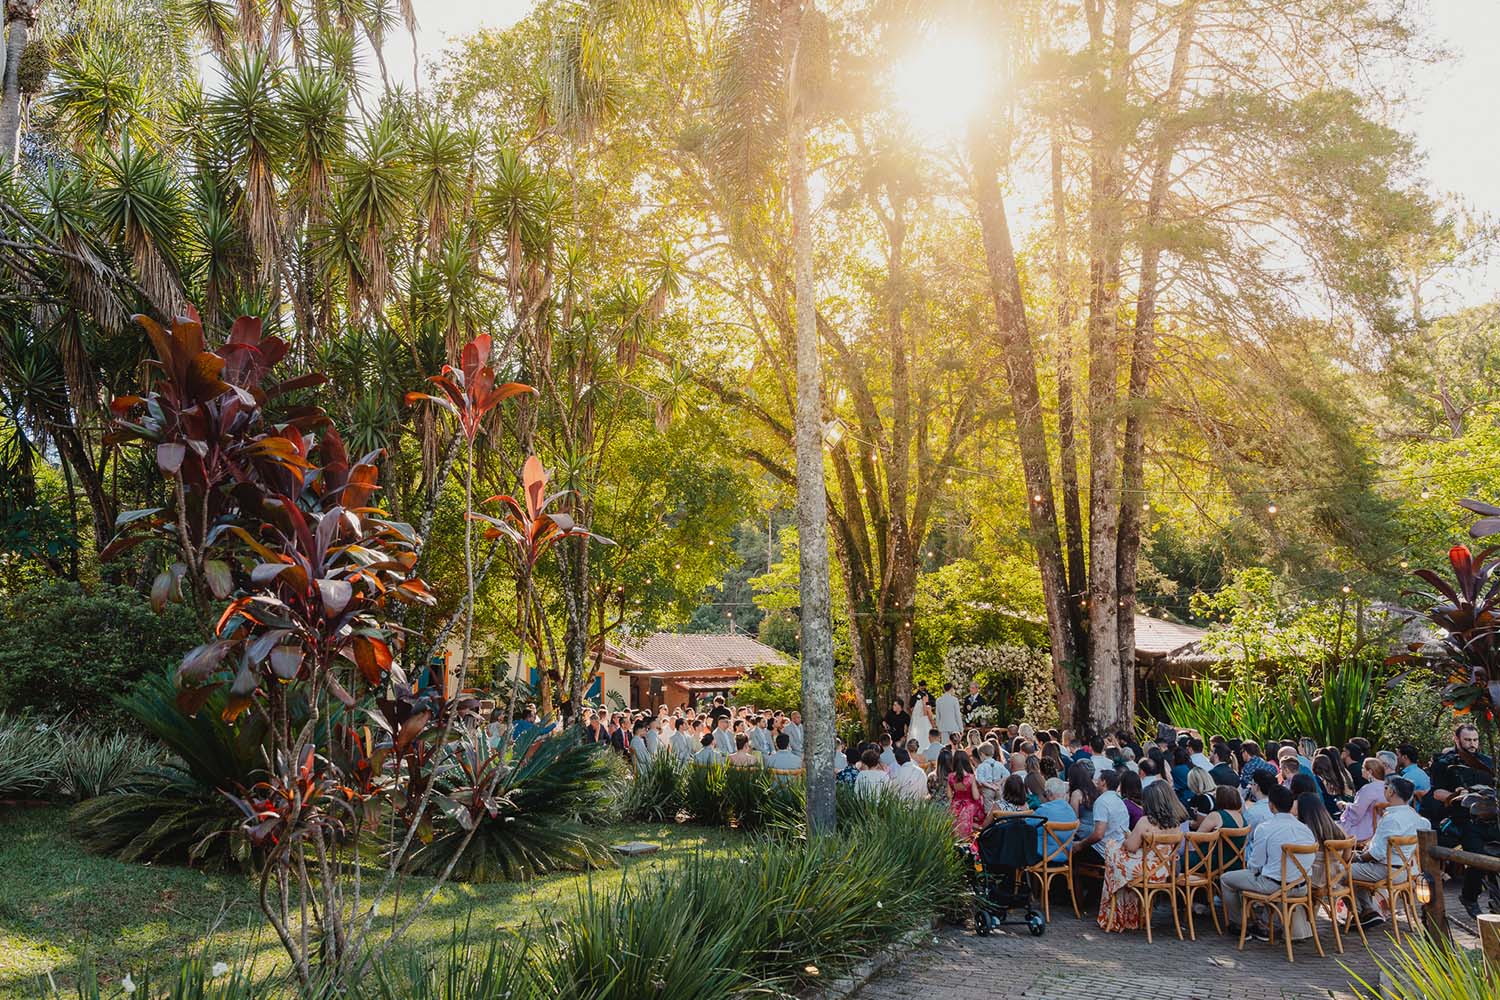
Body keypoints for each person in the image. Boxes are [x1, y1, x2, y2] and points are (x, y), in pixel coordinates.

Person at [1220, 785, 1316, 940]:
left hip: (1275, 886)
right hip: (1301, 887)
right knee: (1272, 874)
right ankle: (1266, 923)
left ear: (1271, 806)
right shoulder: (1305, 829)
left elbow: (1255, 865)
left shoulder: (1266, 828)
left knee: (1226, 879)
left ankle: (1239, 924)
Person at [1426, 723, 1496, 915]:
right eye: (1467, 740)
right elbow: (1437, 793)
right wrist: (1457, 795)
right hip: (1465, 820)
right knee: (1478, 858)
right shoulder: (1444, 763)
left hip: (1491, 818)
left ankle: (1494, 903)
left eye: (1475, 740)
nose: (1472, 744)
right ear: (1456, 739)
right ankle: (1469, 897)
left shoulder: (1487, 762)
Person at [1098, 781, 1186, 932]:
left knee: (1112, 851)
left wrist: (1127, 838)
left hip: (1144, 871)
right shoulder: (1176, 824)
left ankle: (1116, 913)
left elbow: (1131, 847)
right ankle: (1131, 914)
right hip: (1164, 870)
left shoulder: (1145, 821)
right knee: (1118, 862)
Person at [1352, 776, 1431, 926]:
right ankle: (1369, 911)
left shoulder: (1391, 819)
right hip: (1406, 871)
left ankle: (1364, 911)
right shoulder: (1416, 817)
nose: (1384, 790)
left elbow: (1376, 854)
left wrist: (1359, 858)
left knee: (1340, 871)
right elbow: (1426, 828)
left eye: (1386, 787)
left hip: (1386, 870)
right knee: (1355, 871)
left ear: (1392, 792)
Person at [1074, 767, 1131, 860]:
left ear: (1104, 782)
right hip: (1118, 849)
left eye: (1099, 779)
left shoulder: (1102, 801)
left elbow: (1098, 834)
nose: (1096, 782)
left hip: (1103, 852)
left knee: (1071, 850)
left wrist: (1080, 845)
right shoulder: (1120, 801)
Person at [1193, 784, 1248, 873]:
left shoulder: (1216, 816)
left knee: (1176, 860)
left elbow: (1196, 838)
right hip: (1235, 862)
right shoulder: (1241, 817)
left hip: (1211, 861)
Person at [1340, 756, 1388, 842]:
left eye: (1363, 768)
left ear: (1370, 771)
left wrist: (1345, 805)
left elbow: (1356, 813)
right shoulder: (1387, 788)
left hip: (1367, 830)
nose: (1361, 770)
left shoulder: (1368, 789)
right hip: (1383, 827)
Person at [1030, 777, 1078, 860]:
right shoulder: (1071, 811)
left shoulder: (1044, 809)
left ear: (1049, 794)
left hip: (1043, 855)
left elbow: (1027, 824)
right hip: (1065, 856)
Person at [948, 749, 985, 838]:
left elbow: (949, 796)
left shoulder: (950, 777)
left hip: (956, 806)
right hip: (969, 808)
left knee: (955, 832)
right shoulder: (971, 777)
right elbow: (976, 797)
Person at [974, 742, 1008, 814]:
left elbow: (980, 780)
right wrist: (999, 783)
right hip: (998, 787)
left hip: (987, 788)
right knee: (1000, 806)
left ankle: (991, 820)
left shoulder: (981, 766)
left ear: (982, 754)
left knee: (988, 809)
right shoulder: (999, 764)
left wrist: (990, 786)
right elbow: (1007, 774)